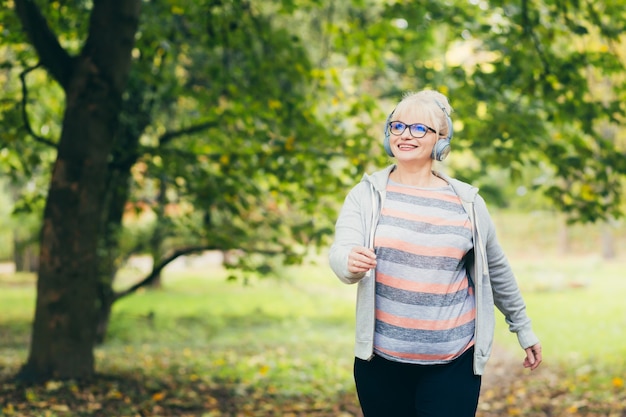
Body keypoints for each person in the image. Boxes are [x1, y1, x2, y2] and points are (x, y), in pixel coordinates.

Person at [328, 89, 542, 417]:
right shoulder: (366, 195)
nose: (405, 135)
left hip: (453, 363)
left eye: (418, 128)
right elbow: (342, 250)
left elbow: (496, 270)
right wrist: (350, 263)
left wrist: (522, 327)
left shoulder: (467, 203)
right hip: (381, 363)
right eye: (397, 126)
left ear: (441, 140)